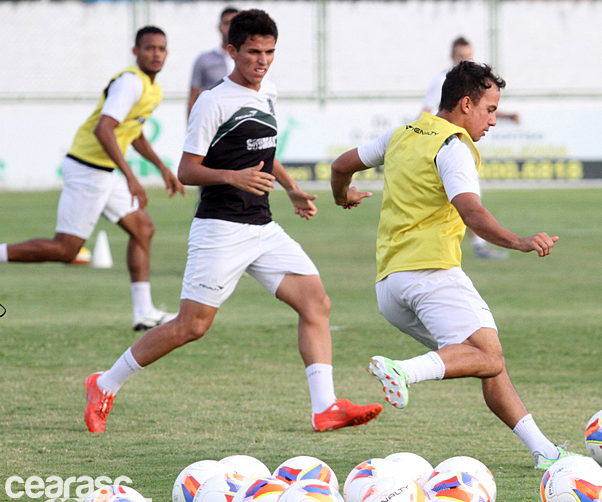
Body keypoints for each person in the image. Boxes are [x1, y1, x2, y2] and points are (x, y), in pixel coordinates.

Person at [84, 9, 382, 435]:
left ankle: (326, 408)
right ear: (232, 51)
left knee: (315, 302)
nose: (261, 60)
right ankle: (104, 383)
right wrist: (231, 176)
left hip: (262, 226)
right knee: (192, 326)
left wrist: (292, 189)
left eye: (269, 52)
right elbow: (187, 169)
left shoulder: (268, 92)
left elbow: (265, 149)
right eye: (252, 52)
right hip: (220, 227)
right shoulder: (212, 101)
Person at [331, 61, 577, 469]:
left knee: (481, 358)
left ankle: (545, 453)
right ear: (466, 104)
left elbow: (341, 166)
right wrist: (519, 241)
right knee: (490, 357)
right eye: (491, 109)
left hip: (390, 288)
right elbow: (472, 213)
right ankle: (403, 371)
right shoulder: (453, 147)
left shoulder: (400, 135)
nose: (493, 120)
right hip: (432, 276)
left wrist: (342, 196)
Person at [0, 26, 186, 331]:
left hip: (103, 172)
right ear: (136, 52)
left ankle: (143, 312)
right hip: (88, 169)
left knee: (143, 228)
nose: (156, 54)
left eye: (161, 48)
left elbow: (132, 132)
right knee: (66, 249)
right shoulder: (130, 83)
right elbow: (104, 129)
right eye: (149, 48)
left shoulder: (153, 89)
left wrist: (161, 168)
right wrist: (132, 177)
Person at [422, 37, 519, 260]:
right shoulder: (443, 81)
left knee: (466, 200)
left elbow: (484, 108)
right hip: (443, 143)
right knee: (468, 202)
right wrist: (421, 134)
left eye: (468, 56)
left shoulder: (475, 86)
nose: (464, 60)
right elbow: (428, 110)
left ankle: (477, 245)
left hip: (456, 140)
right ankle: (477, 246)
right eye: (460, 56)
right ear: (452, 57)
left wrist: (508, 115)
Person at [187, 7, 239, 116]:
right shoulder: (204, 59)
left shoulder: (249, 59)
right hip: (212, 123)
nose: (230, 28)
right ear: (219, 27)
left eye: (235, 24)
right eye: (226, 23)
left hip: (242, 124)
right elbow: (193, 98)